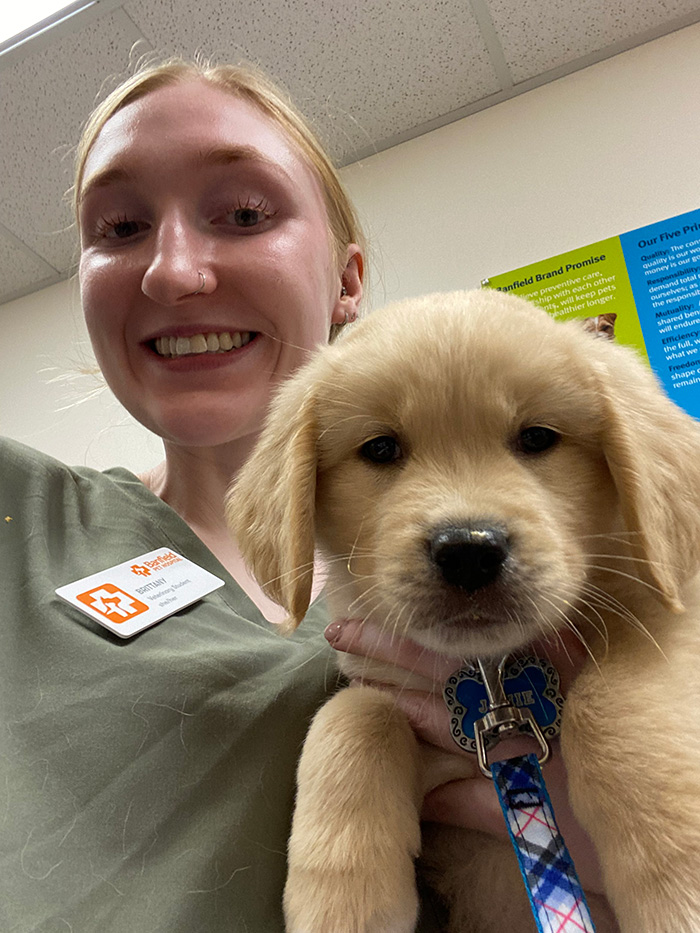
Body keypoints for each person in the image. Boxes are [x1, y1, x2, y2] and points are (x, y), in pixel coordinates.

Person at [0, 57, 614, 932]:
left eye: (245, 214)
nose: (171, 272)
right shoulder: (19, 510)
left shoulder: (568, 553)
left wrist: (617, 821)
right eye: (120, 226)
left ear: (347, 280)